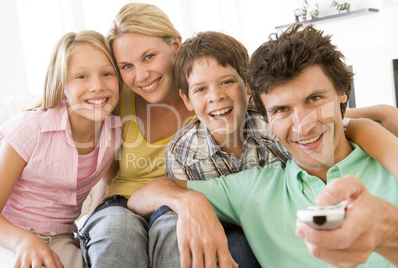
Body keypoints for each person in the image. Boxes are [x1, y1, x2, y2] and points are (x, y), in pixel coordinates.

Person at [127, 24, 398, 267]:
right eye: (281, 109)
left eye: (314, 98)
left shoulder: (388, 160)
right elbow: (142, 196)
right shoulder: (252, 190)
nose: (302, 126)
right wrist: (188, 202)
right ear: (266, 115)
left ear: (343, 92)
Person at [77, 3, 197, 268]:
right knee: (116, 232)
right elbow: (108, 172)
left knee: (176, 231)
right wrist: (93, 211)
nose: (141, 76)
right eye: (127, 65)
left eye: (149, 56)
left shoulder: (203, 93)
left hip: (178, 203)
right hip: (121, 205)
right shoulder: (120, 100)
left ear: (176, 44)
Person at [0, 30, 121, 268]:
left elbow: (108, 180)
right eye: (81, 76)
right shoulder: (31, 128)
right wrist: (24, 241)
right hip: (9, 237)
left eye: (107, 73)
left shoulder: (115, 132)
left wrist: (87, 227)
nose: (97, 86)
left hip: (61, 239)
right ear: (62, 84)